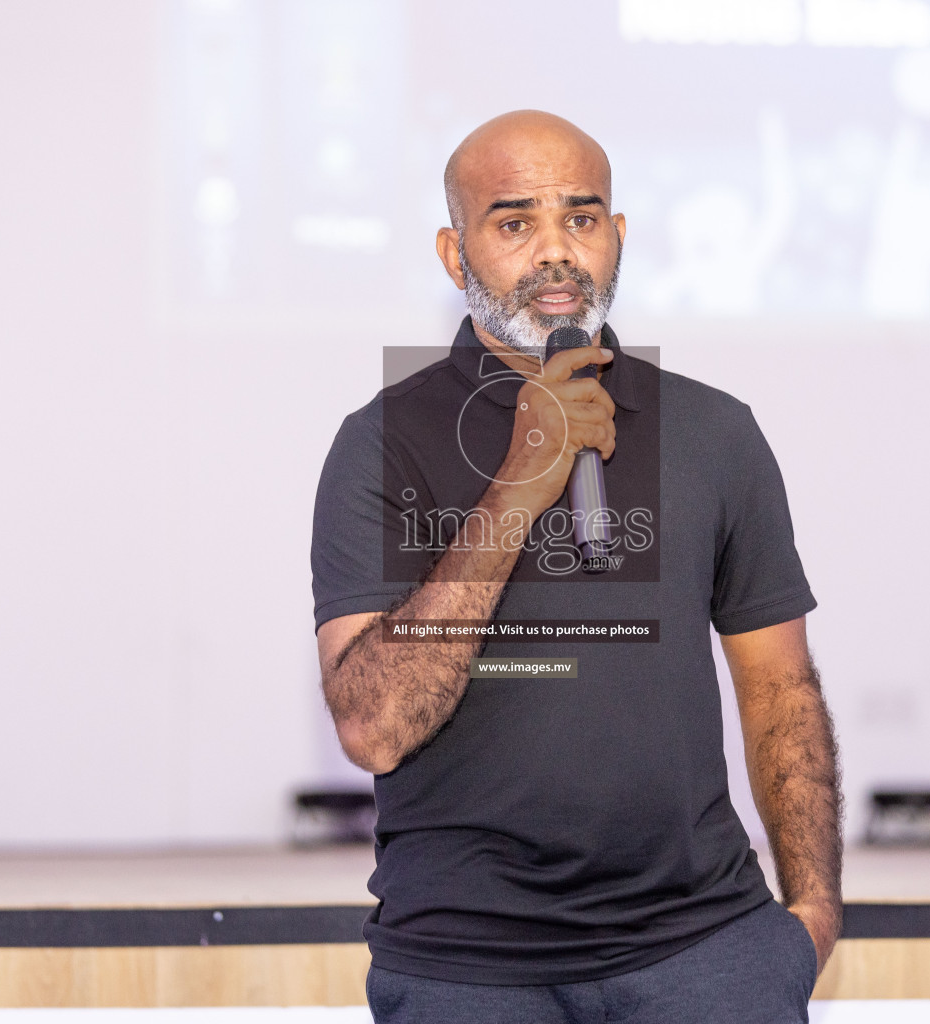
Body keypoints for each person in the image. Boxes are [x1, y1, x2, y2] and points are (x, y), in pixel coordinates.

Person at [310, 110, 841, 1023]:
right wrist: (521, 484)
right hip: (463, 969)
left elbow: (780, 690)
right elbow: (374, 727)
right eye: (514, 223)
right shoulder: (382, 442)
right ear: (454, 253)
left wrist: (810, 921)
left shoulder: (715, 433)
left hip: (706, 954)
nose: (555, 251)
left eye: (582, 219)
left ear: (618, 236)